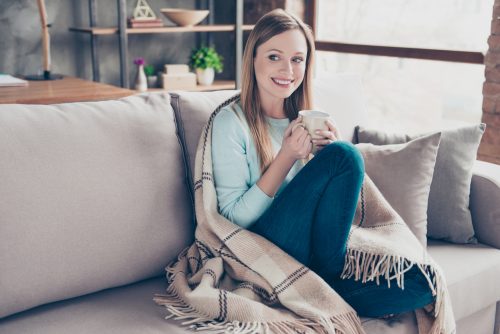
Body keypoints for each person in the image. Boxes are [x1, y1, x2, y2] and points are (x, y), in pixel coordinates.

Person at [211, 8, 435, 318]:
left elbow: (326, 213)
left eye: (297, 59)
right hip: (266, 245)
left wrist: (324, 159)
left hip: (315, 252)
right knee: (346, 156)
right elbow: (234, 220)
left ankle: (320, 294)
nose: (287, 69)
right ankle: (322, 283)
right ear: (253, 60)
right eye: (274, 57)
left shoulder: (303, 119)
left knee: (424, 283)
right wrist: (288, 157)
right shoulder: (230, 123)